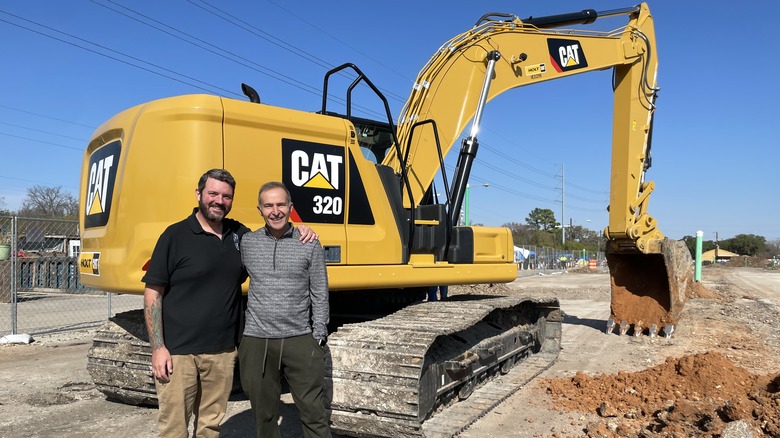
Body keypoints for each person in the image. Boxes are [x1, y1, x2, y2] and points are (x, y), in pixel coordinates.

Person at [142, 169, 317, 437]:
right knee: (173, 428)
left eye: (226, 196)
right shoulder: (174, 236)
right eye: (213, 193)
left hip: (223, 351)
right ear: (199, 194)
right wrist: (158, 348)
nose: (219, 201)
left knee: (210, 427)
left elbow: (273, 233)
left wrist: (300, 229)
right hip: (179, 352)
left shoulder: (240, 236)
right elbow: (153, 293)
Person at [239, 181, 331, 438]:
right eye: (268, 205)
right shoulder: (248, 242)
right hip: (258, 339)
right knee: (263, 414)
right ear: (260, 210)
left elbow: (319, 291)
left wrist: (318, 335)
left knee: (314, 413)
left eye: (281, 204)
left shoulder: (308, 242)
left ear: (291, 207)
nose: (275, 210)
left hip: (299, 338)